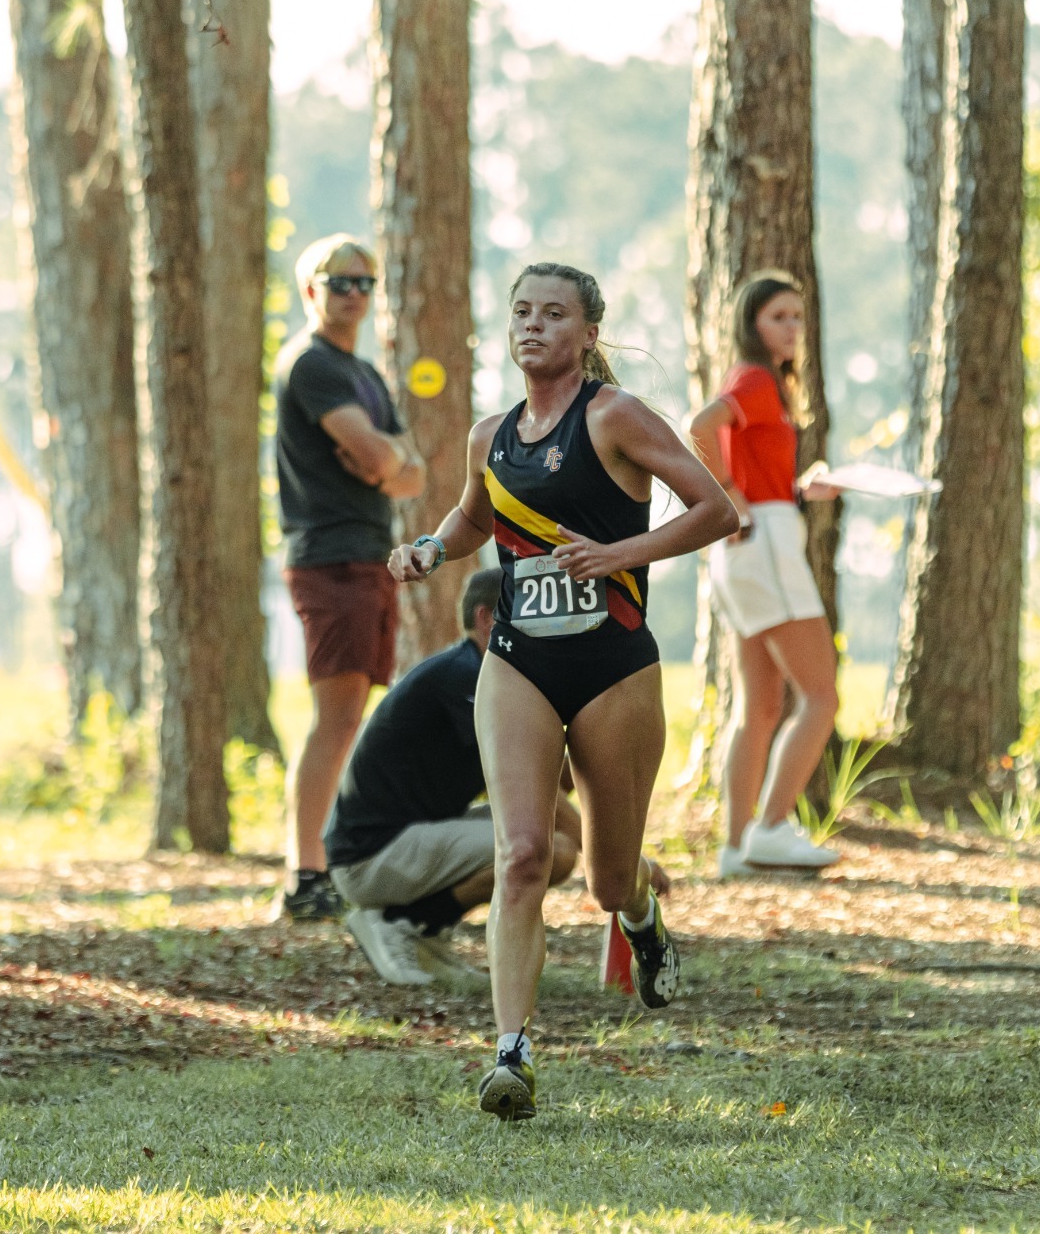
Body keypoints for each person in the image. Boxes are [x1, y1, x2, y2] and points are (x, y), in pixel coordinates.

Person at [389, 262, 739, 1121]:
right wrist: (433, 548)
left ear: (588, 334)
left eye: (554, 314)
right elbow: (475, 516)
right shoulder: (490, 434)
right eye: (521, 312)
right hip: (518, 660)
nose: (533, 325)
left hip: (614, 665)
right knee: (521, 854)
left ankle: (642, 915)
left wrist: (617, 556)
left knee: (607, 879)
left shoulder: (615, 417)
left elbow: (715, 508)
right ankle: (512, 1053)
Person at [269, 234, 426, 922]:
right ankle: (304, 875)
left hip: (367, 554)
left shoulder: (362, 374)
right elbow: (375, 455)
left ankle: (325, 862)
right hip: (329, 557)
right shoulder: (312, 365)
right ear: (311, 291)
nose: (354, 294)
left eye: (365, 282)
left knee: (350, 714)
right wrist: (383, 455)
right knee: (335, 718)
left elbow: (409, 472)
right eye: (339, 282)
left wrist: (385, 457)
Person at [329, 569, 584, 984]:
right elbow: (540, 788)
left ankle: (422, 927)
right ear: (486, 619)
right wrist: (622, 863)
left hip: (409, 839)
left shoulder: (483, 675)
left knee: (544, 839)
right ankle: (400, 922)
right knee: (552, 849)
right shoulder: (468, 678)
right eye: (528, 613)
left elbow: (554, 770)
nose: (542, 626)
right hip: (370, 857)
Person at [687, 271, 843, 877]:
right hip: (764, 544)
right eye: (779, 316)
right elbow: (700, 426)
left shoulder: (766, 385)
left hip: (752, 544)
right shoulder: (753, 379)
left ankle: (733, 848)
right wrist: (730, 496)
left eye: (798, 317)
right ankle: (772, 827)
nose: (792, 328)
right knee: (821, 695)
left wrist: (799, 490)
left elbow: (756, 470)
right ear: (753, 324)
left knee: (760, 707)